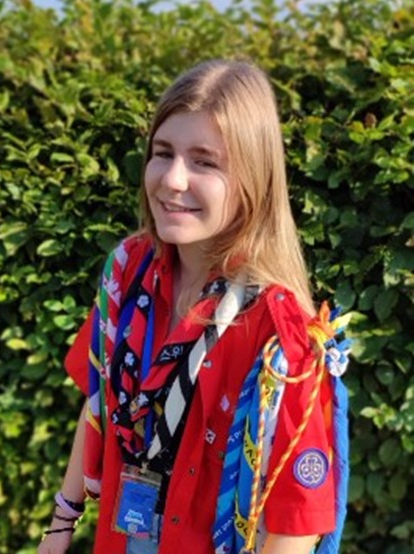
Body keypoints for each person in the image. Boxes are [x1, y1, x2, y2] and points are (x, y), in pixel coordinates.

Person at [37, 59, 351, 554]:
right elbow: (98, 399)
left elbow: (295, 524)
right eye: (163, 153)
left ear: (253, 179)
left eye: (204, 162)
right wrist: (59, 528)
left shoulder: (280, 332)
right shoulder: (129, 271)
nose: (172, 180)